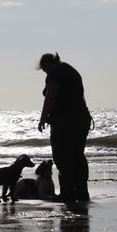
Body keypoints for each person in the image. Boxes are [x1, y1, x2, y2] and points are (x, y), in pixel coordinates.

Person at [37, 52, 92, 202]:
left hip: (65, 122)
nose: (44, 72)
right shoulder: (70, 70)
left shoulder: (55, 73)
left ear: (47, 64)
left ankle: (68, 193)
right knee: (77, 156)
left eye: (43, 69)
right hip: (82, 119)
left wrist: (43, 118)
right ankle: (82, 191)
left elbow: (51, 94)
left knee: (62, 157)